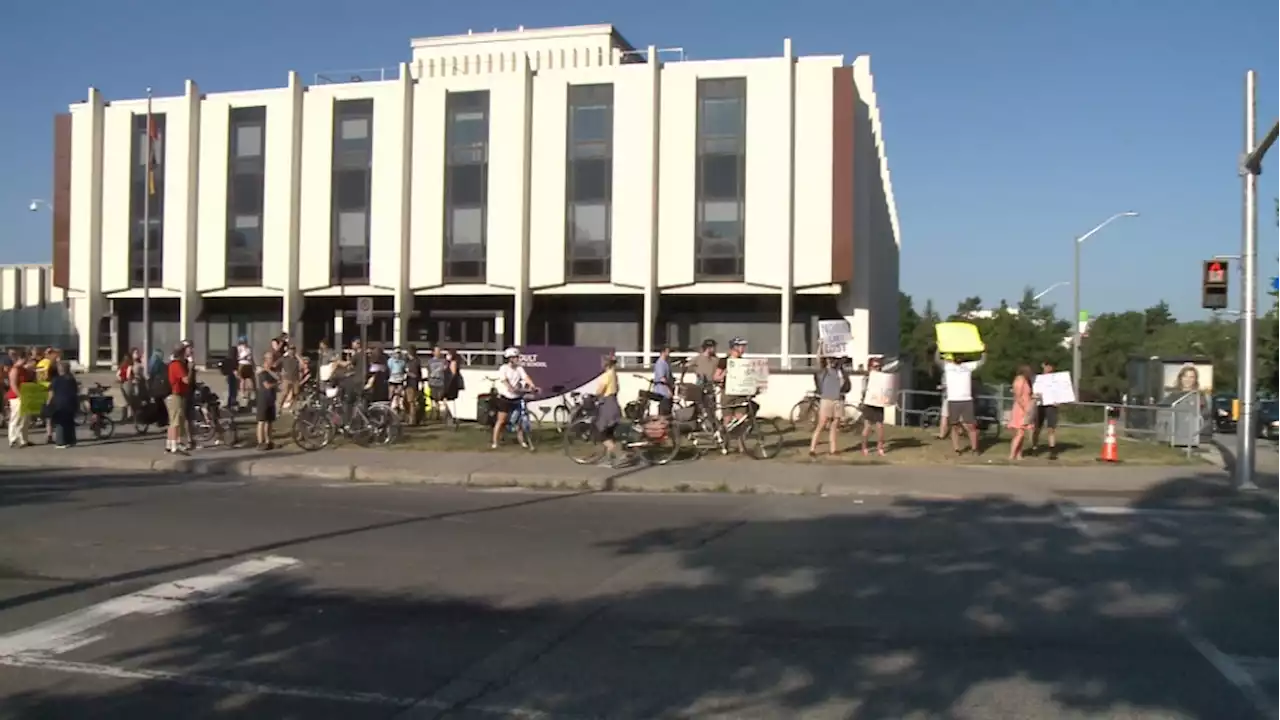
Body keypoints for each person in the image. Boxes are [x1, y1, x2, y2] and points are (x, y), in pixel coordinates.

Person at [935, 349, 986, 455]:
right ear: (953, 357)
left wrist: (984, 351)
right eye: (956, 356)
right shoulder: (948, 366)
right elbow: (937, 360)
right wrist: (938, 348)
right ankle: (957, 449)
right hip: (953, 400)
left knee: (971, 426)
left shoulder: (968, 366)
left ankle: (974, 448)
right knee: (955, 426)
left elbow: (982, 361)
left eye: (961, 356)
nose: (959, 358)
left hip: (967, 400)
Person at [491, 347, 537, 450]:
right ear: (510, 358)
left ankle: (522, 442)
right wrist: (510, 388)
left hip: (516, 398)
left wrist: (532, 385)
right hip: (505, 398)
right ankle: (495, 442)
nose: (517, 359)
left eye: (518, 357)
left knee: (519, 421)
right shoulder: (504, 368)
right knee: (501, 421)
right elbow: (504, 380)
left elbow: (526, 377)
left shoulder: (519, 369)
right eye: (515, 357)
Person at [809, 354, 851, 457]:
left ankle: (833, 449)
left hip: (838, 400)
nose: (832, 362)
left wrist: (842, 362)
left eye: (834, 360)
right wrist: (821, 345)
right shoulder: (824, 371)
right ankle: (812, 448)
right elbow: (819, 358)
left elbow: (845, 383)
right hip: (826, 399)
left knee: (835, 424)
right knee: (822, 423)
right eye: (830, 359)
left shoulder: (840, 371)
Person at [860, 355, 901, 456]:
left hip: (879, 403)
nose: (877, 368)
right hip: (869, 404)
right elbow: (864, 391)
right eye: (874, 366)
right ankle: (864, 447)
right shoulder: (866, 378)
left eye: (878, 366)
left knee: (880, 426)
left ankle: (880, 448)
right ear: (870, 367)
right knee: (868, 427)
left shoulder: (882, 377)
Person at [593, 353, 625, 466]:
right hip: (614, 403)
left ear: (606, 364)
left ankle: (619, 454)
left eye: (602, 362)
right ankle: (609, 461)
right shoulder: (614, 374)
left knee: (601, 433)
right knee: (609, 434)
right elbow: (618, 388)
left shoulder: (606, 375)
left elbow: (600, 390)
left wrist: (594, 396)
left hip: (607, 405)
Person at [165, 344, 191, 454]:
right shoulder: (177, 365)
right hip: (177, 395)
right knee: (176, 421)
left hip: (172, 395)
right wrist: (190, 369)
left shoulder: (172, 364)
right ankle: (175, 445)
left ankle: (170, 443)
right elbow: (186, 380)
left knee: (172, 421)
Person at [1006, 364, 1036, 461]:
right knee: (1019, 433)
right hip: (1020, 408)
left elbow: (1027, 394)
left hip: (1026, 406)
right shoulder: (1019, 380)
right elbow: (1018, 396)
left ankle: (1019, 454)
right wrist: (1025, 407)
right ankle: (1012, 454)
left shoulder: (1026, 381)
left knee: (1022, 432)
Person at [1031, 360, 1059, 458]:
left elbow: (1061, 392)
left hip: (1051, 405)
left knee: (1051, 428)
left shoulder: (1056, 379)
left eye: (1050, 366)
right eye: (1046, 366)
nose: (1048, 368)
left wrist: (1058, 400)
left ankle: (1052, 450)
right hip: (1040, 405)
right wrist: (1034, 396)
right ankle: (1034, 447)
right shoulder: (1038, 379)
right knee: (1037, 428)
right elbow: (1032, 392)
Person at [47, 362, 79, 448]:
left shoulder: (56, 380)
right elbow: (76, 391)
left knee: (60, 423)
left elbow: (51, 393)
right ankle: (71, 440)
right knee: (70, 422)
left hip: (60, 403)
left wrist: (48, 403)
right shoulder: (72, 379)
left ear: (59, 369)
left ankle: (61, 442)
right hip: (71, 402)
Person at [256, 351, 278, 450]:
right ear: (265, 360)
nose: (272, 360)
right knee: (262, 421)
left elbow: (279, 378)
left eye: (272, 358)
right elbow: (267, 386)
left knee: (269, 421)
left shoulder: (272, 371)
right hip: (263, 398)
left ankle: (269, 441)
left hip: (271, 398)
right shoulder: (262, 372)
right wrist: (277, 384)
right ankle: (260, 442)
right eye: (270, 358)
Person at [7, 356, 30, 448]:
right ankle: (13, 439)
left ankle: (23, 439)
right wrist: (20, 395)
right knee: (16, 418)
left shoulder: (23, 369)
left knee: (25, 418)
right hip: (16, 397)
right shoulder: (15, 370)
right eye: (24, 360)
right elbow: (13, 384)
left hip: (24, 395)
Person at [651, 345, 674, 416]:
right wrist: (668, 390)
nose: (669, 353)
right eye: (668, 351)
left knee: (667, 409)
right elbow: (662, 378)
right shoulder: (660, 363)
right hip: (662, 391)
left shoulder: (665, 363)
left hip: (665, 391)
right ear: (663, 352)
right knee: (664, 411)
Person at [236, 337, 255, 407]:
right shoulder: (239, 348)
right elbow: (238, 357)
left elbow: (251, 357)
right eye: (243, 342)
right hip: (242, 364)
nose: (244, 343)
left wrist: (254, 365)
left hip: (248, 364)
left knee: (250, 380)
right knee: (242, 379)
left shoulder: (249, 348)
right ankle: (242, 393)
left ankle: (249, 393)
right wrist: (244, 357)